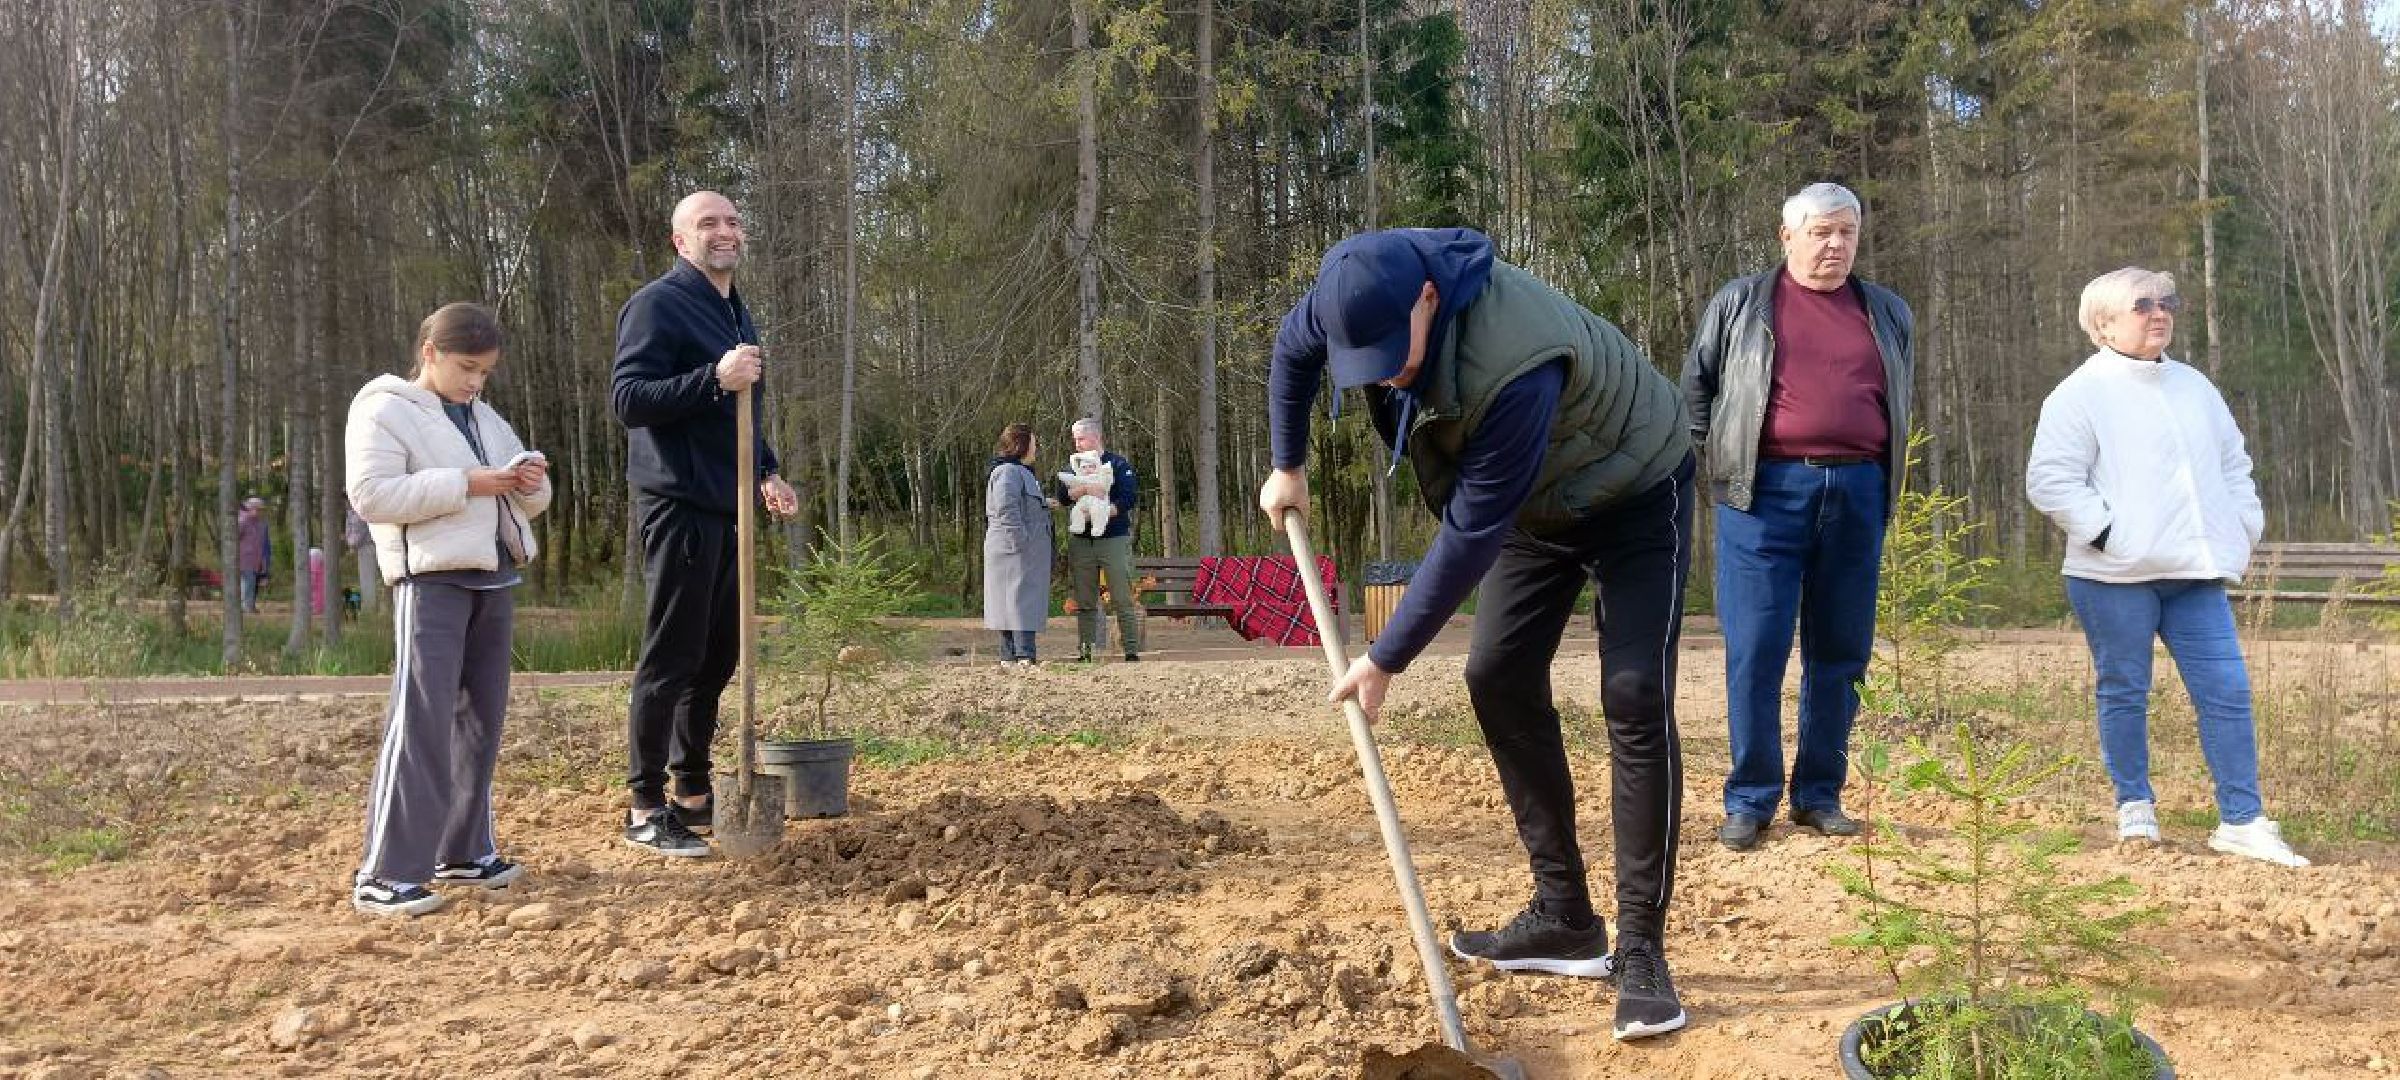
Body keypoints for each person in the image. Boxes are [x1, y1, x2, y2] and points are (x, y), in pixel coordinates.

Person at [1261, 227, 1695, 1040]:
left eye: (1395, 350)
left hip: (1636, 486)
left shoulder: (1516, 362)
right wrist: (1289, 463)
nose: (1387, 372)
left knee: (1633, 694)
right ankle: (1566, 915)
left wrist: (1386, 657)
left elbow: (1471, 533)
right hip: (1538, 503)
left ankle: (1641, 953)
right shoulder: (1347, 294)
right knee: (1495, 675)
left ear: (1430, 297)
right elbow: (1292, 353)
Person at [2026, 267, 2308, 868]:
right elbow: (2049, 481)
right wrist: (2112, 535)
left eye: (2167, 302)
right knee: (2125, 690)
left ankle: (2242, 818)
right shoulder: (2080, 394)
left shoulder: (2193, 386)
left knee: (2227, 692)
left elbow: (2236, 464)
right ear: (2103, 324)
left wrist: (2242, 526)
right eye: (2143, 304)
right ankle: (2135, 807)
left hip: (2194, 574)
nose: (2159, 313)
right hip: (2112, 578)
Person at [1681, 182, 1914, 852]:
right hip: (1762, 494)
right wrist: (1716, 467)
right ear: (1788, 238)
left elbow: (1897, 398)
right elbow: (1697, 389)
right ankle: (1750, 800)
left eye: (1846, 232)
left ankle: (1818, 794)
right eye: (1821, 233)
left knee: (1841, 650)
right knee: (1756, 649)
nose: (1835, 245)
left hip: (1858, 493)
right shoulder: (1741, 303)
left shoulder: (1888, 312)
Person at [344, 301, 553, 916]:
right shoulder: (382, 409)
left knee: (480, 722)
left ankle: (463, 851)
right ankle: (386, 873)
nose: (475, 382)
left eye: (485, 371)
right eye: (467, 367)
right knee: (421, 721)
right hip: (428, 583)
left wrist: (529, 481)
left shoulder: (485, 417)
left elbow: (527, 504)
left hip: (494, 578)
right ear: (430, 352)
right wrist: (467, 482)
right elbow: (372, 496)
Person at [612, 190, 801, 858]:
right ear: (680, 241)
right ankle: (643, 805)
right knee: (671, 658)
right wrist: (712, 379)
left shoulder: (732, 308)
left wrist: (766, 472)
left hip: (729, 508)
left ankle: (692, 792)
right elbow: (630, 400)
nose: (724, 231)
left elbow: (733, 418)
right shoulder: (658, 305)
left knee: (716, 657)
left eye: (731, 221)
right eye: (707, 224)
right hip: (678, 505)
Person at [1055, 417, 1141, 662]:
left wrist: (1103, 513)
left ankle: (1131, 650)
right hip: (1082, 542)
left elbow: (1128, 498)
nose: (1077, 444)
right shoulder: (1075, 465)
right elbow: (1062, 495)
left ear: (1096, 437)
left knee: (1122, 597)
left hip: (1113, 538)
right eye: (1075, 439)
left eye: (1081, 438)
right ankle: (1086, 651)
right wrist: (1081, 492)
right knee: (1085, 600)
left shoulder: (1117, 463)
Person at [984, 423, 1054, 666]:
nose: (1036, 448)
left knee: (1015, 602)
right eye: (1033, 443)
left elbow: (1023, 505)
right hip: (1014, 551)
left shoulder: (1019, 472)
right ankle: (1022, 656)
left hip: (1020, 551)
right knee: (1017, 602)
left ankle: (1012, 657)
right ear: (1021, 445)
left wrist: (1046, 504)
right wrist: (1020, 541)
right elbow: (1006, 508)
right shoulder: (1008, 472)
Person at [236, 496, 272, 613]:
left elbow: (261, 542)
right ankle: (246, 605)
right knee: (248, 581)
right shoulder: (242, 521)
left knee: (251, 582)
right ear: (250, 508)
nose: (260, 512)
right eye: (258, 509)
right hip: (244, 558)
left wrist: (263, 560)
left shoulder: (258, 524)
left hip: (255, 559)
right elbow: (235, 536)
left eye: (261, 510)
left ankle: (249, 604)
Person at [344, 502, 378, 615]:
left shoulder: (361, 510)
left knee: (368, 579)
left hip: (367, 546)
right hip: (362, 547)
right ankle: (369, 606)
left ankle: (370, 609)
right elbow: (349, 530)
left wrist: (351, 544)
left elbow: (359, 530)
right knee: (366, 578)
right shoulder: (351, 512)